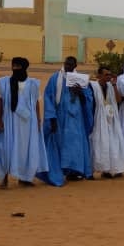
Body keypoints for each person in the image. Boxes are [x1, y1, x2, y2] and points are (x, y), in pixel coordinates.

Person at [41, 56, 95, 185]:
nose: (68, 66)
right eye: (67, 63)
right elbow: (48, 98)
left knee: (75, 144)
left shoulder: (81, 80)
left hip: (77, 119)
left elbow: (88, 100)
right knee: (60, 144)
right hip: (60, 118)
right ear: (64, 63)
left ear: (75, 65)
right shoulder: (55, 79)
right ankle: (59, 171)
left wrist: (80, 92)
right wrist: (51, 118)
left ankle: (74, 171)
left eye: (71, 64)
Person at [0, 57, 48, 188]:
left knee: (26, 149)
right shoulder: (4, 83)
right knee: (7, 148)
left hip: (28, 122)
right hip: (10, 120)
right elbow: (0, 102)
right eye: (14, 66)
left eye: (18, 66)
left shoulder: (33, 83)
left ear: (24, 67)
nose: (15, 68)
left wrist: (38, 119)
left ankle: (25, 178)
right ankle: (4, 178)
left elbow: (36, 102)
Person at [89, 66, 124, 178]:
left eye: (110, 75)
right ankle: (99, 169)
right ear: (100, 75)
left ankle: (112, 169)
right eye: (106, 75)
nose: (109, 77)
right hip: (98, 118)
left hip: (111, 118)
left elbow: (118, 100)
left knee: (113, 142)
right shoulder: (94, 86)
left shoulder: (111, 86)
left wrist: (115, 85)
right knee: (99, 143)